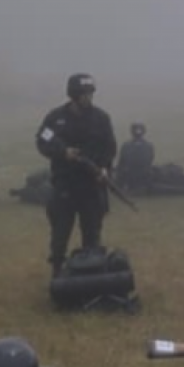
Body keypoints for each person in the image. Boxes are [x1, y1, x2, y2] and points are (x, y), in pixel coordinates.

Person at [35, 73, 117, 277]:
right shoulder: (55, 119)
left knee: (92, 232)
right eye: (84, 94)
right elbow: (42, 139)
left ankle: (91, 272)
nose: (88, 98)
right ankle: (57, 270)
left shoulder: (101, 118)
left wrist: (105, 170)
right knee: (60, 232)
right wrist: (63, 152)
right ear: (73, 95)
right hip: (65, 184)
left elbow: (110, 148)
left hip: (91, 184)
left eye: (90, 93)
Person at [114, 122, 155, 194]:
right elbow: (150, 160)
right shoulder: (149, 146)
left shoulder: (126, 146)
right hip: (141, 176)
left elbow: (121, 162)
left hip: (132, 176)